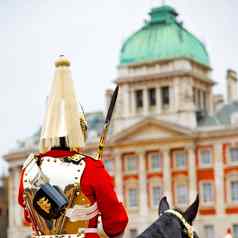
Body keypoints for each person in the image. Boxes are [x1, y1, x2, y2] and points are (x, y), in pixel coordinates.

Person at [18, 56, 128, 238]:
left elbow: (29, 216)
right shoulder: (92, 168)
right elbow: (116, 224)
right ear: (80, 130)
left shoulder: (29, 170)